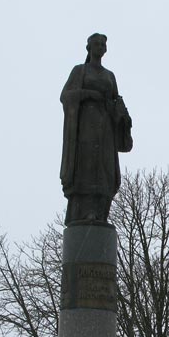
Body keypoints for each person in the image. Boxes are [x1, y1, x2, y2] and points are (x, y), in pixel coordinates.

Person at [59, 32, 133, 225]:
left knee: (105, 169)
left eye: (103, 44)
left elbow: (116, 100)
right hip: (86, 128)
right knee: (87, 168)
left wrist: (122, 116)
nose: (100, 47)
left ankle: (101, 212)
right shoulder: (79, 71)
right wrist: (87, 94)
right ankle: (85, 211)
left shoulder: (110, 75)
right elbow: (66, 96)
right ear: (89, 48)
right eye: (97, 44)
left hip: (106, 129)